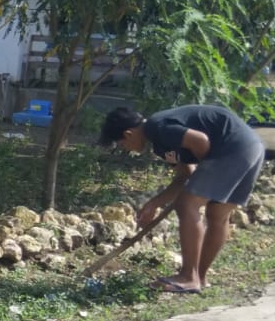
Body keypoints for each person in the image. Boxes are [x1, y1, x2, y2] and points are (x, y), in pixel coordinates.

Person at [98, 105, 265, 294]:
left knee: (186, 205)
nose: (126, 149)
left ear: (128, 134)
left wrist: (205, 170)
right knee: (217, 214)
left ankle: (188, 277)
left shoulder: (156, 127)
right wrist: (154, 204)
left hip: (232, 148)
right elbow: (184, 176)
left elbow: (200, 141)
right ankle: (199, 277)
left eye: (122, 145)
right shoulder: (161, 146)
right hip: (251, 148)